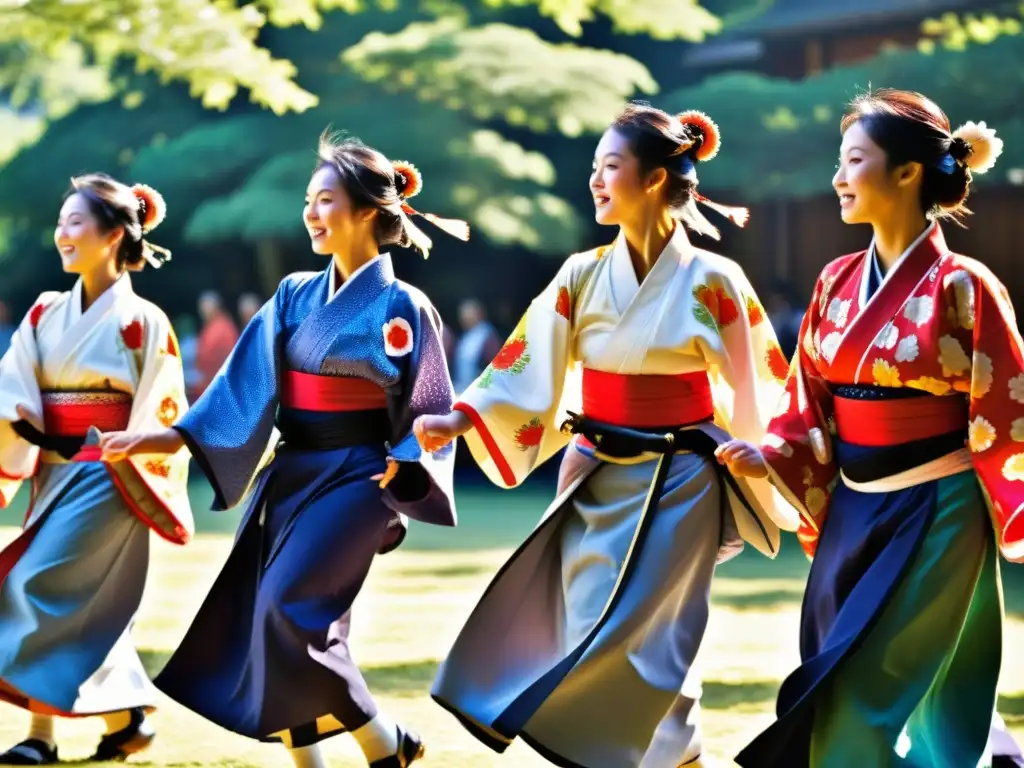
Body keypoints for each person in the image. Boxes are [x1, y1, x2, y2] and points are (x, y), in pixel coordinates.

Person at [414, 103, 799, 767]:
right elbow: (526, 364)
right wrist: (463, 416)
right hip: (595, 469)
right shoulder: (580, 274)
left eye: (609, 166)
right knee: (597, 619)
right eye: (593, 168)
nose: (594, 180)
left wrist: (764, 450)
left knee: (654, 626)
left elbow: (757, 382)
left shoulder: (715, 279)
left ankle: (647, 754)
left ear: (653, 179)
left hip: (683, 477)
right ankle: (678, 753)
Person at [98, 132, 468, 768]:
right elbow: (238, 393)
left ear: (366, 212)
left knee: (283, 610)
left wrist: (407, 461)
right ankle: (330, 758)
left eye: (324, 199)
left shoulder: (405, 305)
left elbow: (430, 405)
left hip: (361, 475)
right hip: (292, 472)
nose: (311, 213)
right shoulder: (295, 294)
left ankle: (382, 739)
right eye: (308, 200)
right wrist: (163, 438)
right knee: (282, 621)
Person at [715, 89, 1024, 767]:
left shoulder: (964, 285)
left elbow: (1007, 411)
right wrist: (771, 452)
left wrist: (1016, 507)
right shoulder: (833, 281)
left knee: (862, 694)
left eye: (854, 159)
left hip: (936, 510)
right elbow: (807, 399)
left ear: (908, 172)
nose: (837, 177)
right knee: (834, 676)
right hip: (854, 510)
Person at [0, 174, 192, 764]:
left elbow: (164, 404)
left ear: (113, 235)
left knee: (30, 584)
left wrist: (130, 449)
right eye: (60, 223)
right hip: (53, 471)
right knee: (75, 605)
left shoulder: (145, 321)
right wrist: (20, 423)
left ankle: (42, 737)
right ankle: (120, 718)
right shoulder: (42, 313)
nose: (61, 234)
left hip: (111, 475)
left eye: (75, 222)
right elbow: (14, 388)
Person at [451, 298, 501, 394]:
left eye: (467, 314)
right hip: (462, 390)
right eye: (462, 314)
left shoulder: (488, 336)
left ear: (479, 314)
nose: (463, 317)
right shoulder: (465, 336)